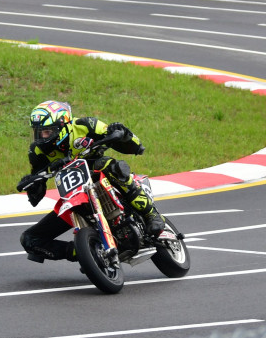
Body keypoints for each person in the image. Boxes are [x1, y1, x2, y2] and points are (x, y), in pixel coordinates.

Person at [16, 100, 166, 263]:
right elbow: (37, 195)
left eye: (47, 131)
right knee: (30, 239)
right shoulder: (37, 151)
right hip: (72, 194)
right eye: (38, 132)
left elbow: (132, 145)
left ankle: (151, 214)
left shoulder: (84, 125)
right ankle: (85, 251)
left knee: (109, 165)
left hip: (98, 172)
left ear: (63, 126)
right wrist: (33, 186)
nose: (42, 137)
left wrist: (120, 132)